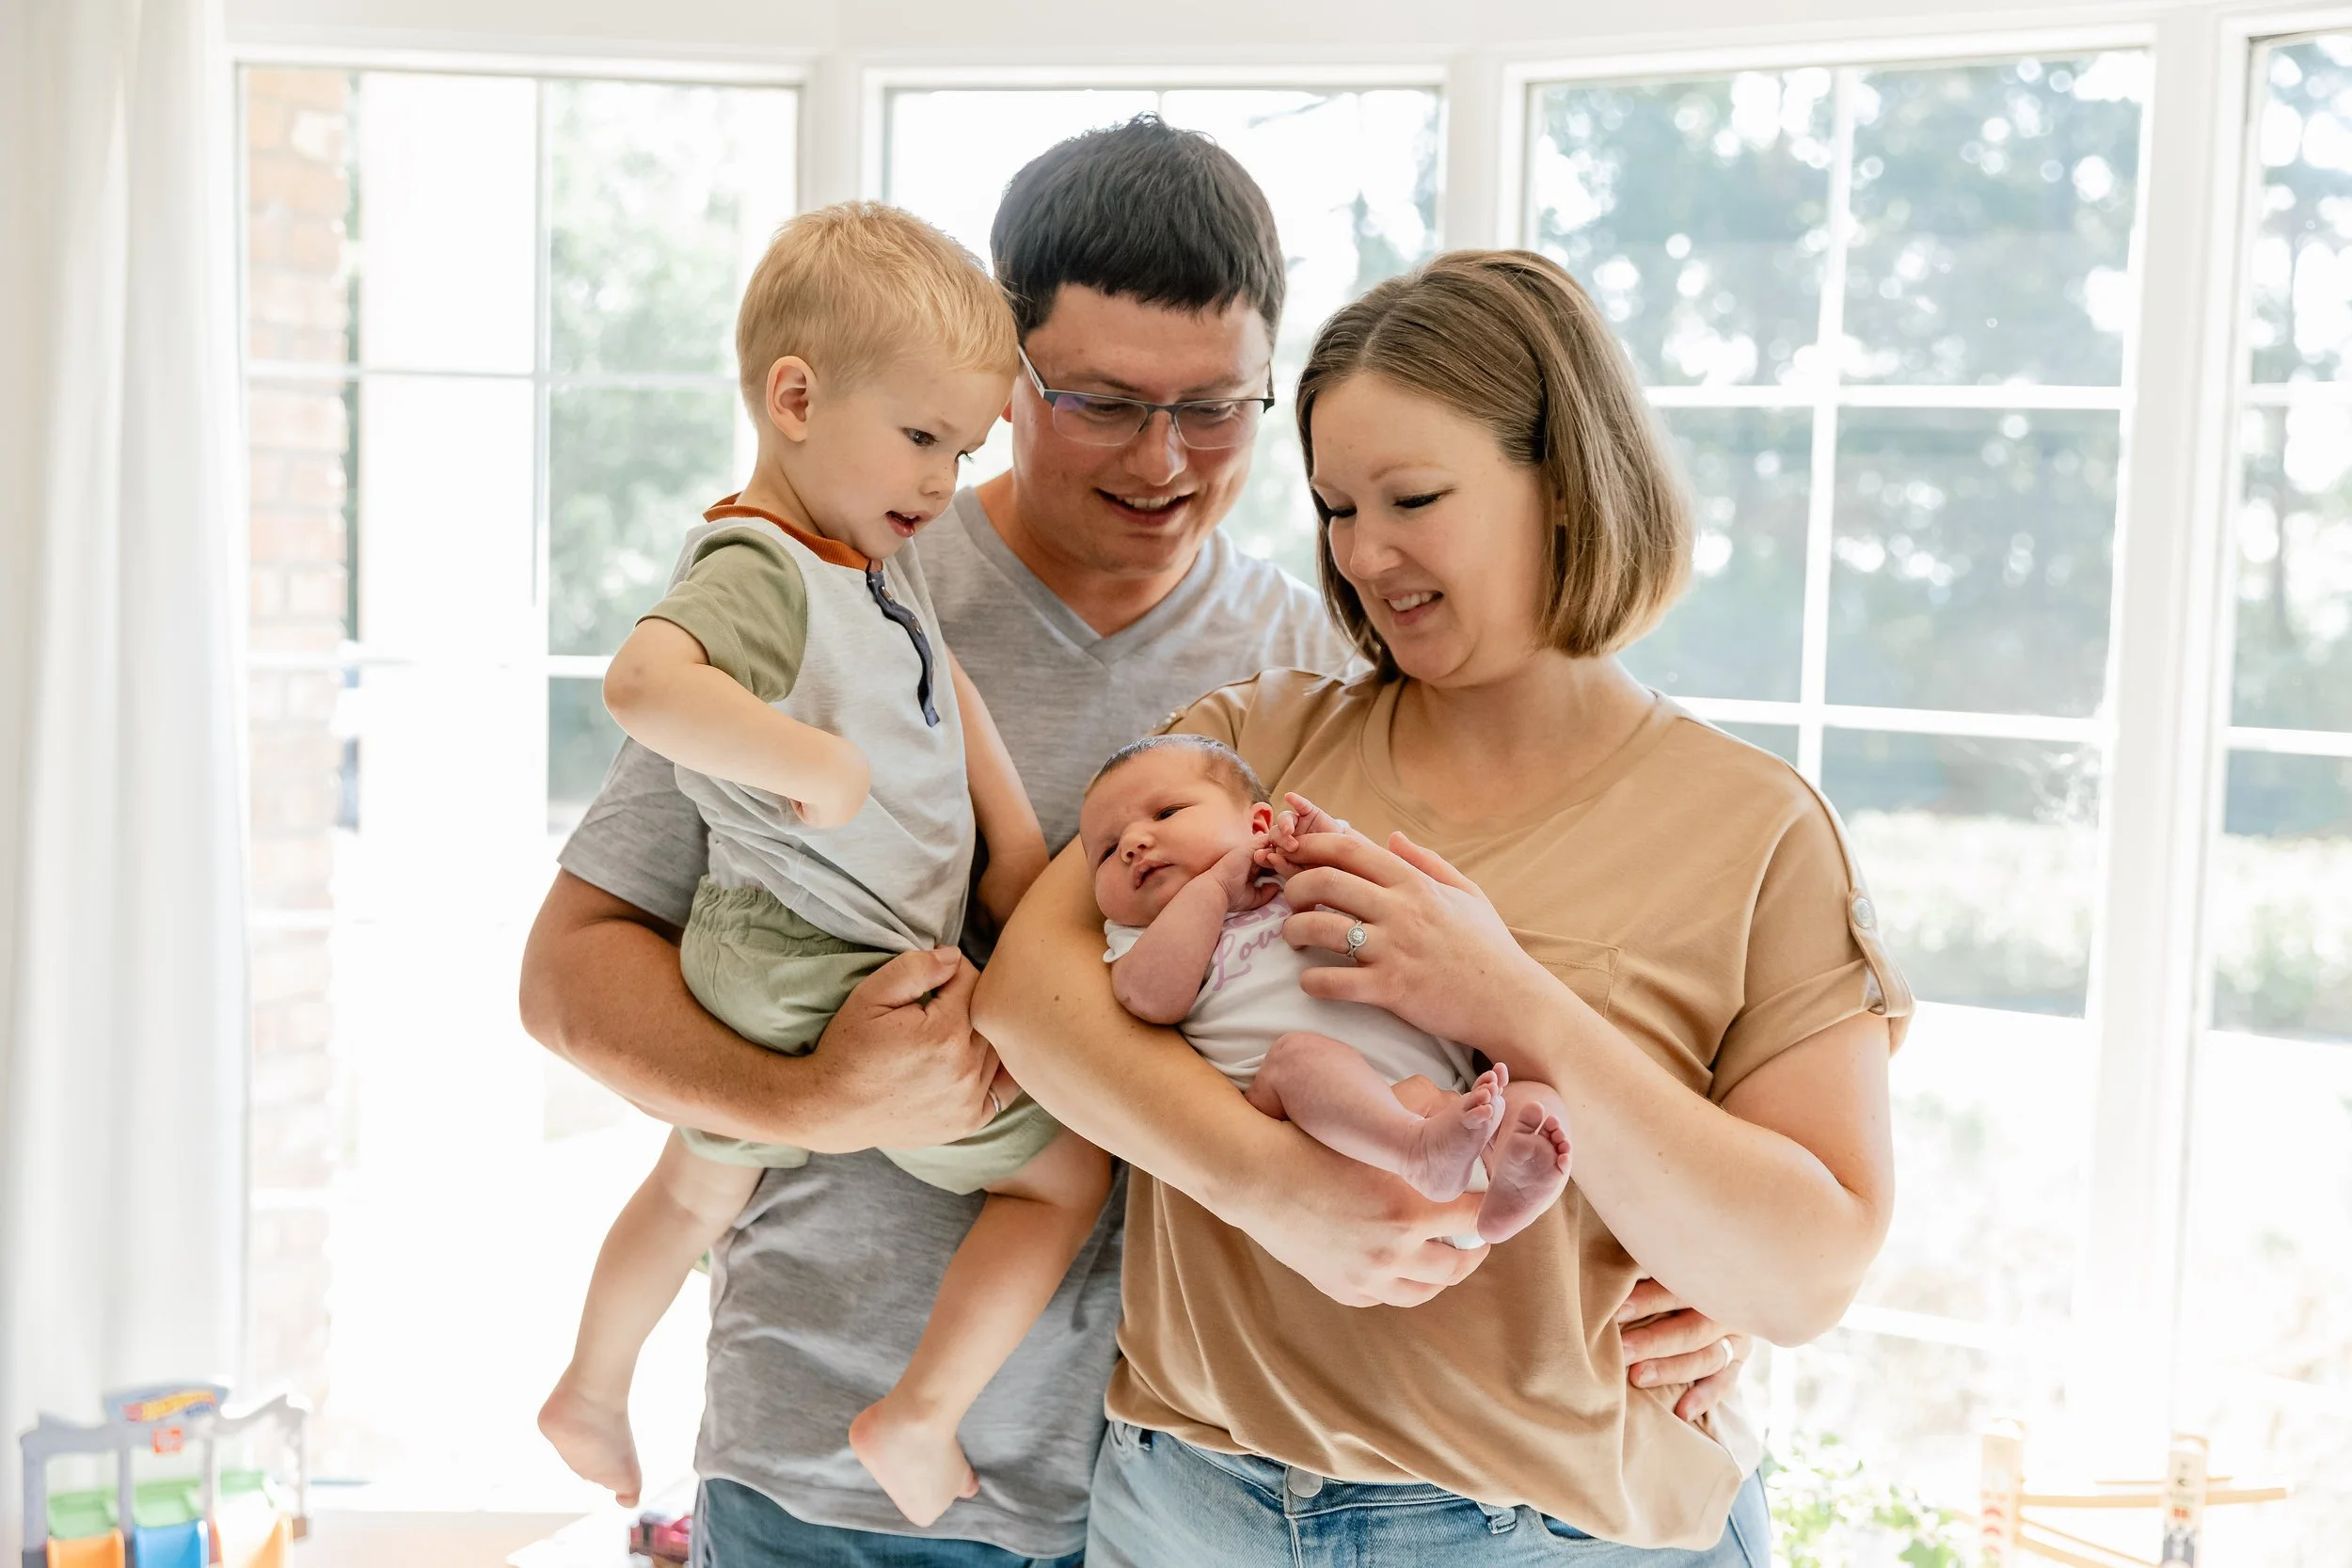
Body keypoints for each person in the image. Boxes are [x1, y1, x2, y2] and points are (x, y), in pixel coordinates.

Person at [519, 119, 1754, 1567]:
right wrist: (811, 1099)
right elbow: (568, 974)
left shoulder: (1326, 665)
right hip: (838, 1467)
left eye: (1219, 408)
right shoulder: (842, 591)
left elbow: (1490, 1003)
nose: (1164, 459)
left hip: (1179, 1485)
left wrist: (1691, 1270)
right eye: (1102, 399)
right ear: (1005, 372)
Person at [976, 248, 1910, 1566]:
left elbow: (1805, 1271)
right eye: (1337, 506)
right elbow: (1034, 996)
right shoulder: (1248, 746)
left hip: (1548, 1531)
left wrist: (1511, 1000)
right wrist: (1271, 1185)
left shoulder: (1754, 828)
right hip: (1188, 1498)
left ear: (1567, 486)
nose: (1363, 553)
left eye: (1413, 496)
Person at [535, 203, 1112, 1530]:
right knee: (1060, 1171)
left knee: (697, 1181)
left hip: (791, 950)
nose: (943, 481)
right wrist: (805, 759)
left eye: (963, 450)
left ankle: (591, 1380)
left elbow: (941, 685)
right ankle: (919, 1409)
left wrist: (1016, 849)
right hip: (816, 952)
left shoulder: (866, 563)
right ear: (794, 396)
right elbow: (642, 679)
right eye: (921, 437)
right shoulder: (761, 561)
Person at [1079, 736, 1570, 1243]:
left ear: (1258, 825)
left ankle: (1511, 1180)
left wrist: (1325, 846)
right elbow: (1150, 999)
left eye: (1165, 813)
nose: (1133, 844)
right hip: (1321, 1127)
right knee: (1297, 1058)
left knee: (1537, 1099)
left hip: (1459, 1114)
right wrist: (1217, 888)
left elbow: (1400, 905)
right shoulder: (1139, 935)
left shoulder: (1309, 864)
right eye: (1107, 851)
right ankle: (1414, 1149)